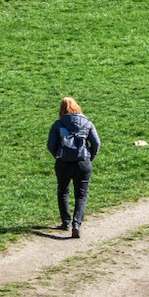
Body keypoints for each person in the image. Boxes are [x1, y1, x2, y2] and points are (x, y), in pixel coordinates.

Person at [46, 97, 100, 239]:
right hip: (83, 162)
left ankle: (65, 223)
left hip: (63, 162)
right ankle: (77, 225)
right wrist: (89, 157)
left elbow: (50, 145)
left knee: (63, 191)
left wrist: (58, 156)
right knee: (81, 195)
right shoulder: (87, 123)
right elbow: (96, 144)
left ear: (62, 109)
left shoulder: (58, 124)